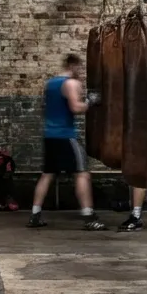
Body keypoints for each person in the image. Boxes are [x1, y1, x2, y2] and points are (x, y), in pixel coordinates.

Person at [29, 54, 105, 230]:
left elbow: (44, 109)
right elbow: (76, 107)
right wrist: (90, 101)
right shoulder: (71, 83)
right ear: (72, 65)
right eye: (79, 67)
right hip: (65, 135)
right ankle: (88, 217)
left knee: (47, 174)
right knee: (82, 173)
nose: (80, 71)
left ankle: (35, 214)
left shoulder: (49, 84)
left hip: (49, 135)